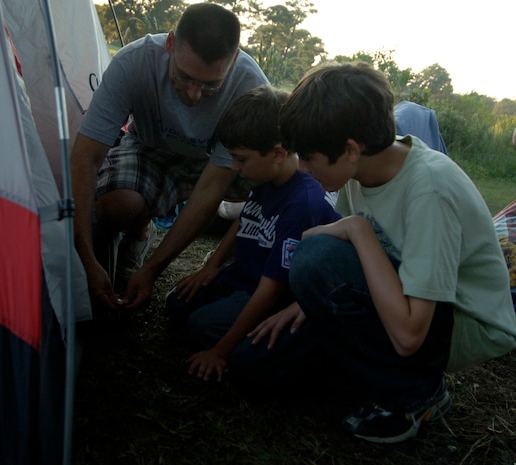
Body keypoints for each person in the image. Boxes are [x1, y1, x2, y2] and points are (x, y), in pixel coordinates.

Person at [241, 62, 516, 443]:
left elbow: (408, 335)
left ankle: (416, 393)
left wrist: (358, 228)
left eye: (308, 157)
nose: (302, 168)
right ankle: (366, 376)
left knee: (315, 258)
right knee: (258, 367)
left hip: (459, 320)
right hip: (404, 293)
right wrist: (306, 305)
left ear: (351, 150)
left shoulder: (428, 190)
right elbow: (346, 262)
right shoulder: (362, 172)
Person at [70, 3, 269, 315]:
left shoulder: (250, 85)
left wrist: (152, 270)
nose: (193, 95)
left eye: (210, 86)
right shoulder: (134, 62)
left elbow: (209, 190)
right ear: (170, 44)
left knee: (267, 181)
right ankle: (140, 230)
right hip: (150, 148)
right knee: (117, 206)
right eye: (184, 77)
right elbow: (85, 158)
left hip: (213, 163)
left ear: (233, 61)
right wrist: (85, 256)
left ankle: (224, 263)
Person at [165, 85, 341, 382]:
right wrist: (212, 265)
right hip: (243, 278)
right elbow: (245, 220)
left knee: (201, 326)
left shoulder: (302, 202)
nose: (234, 167)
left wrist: (219, 352)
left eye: (241, 159)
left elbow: (271, 289)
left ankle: (300, 351)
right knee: (176, 303)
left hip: (271, 294)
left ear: (277, 154)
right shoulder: (266, 178)